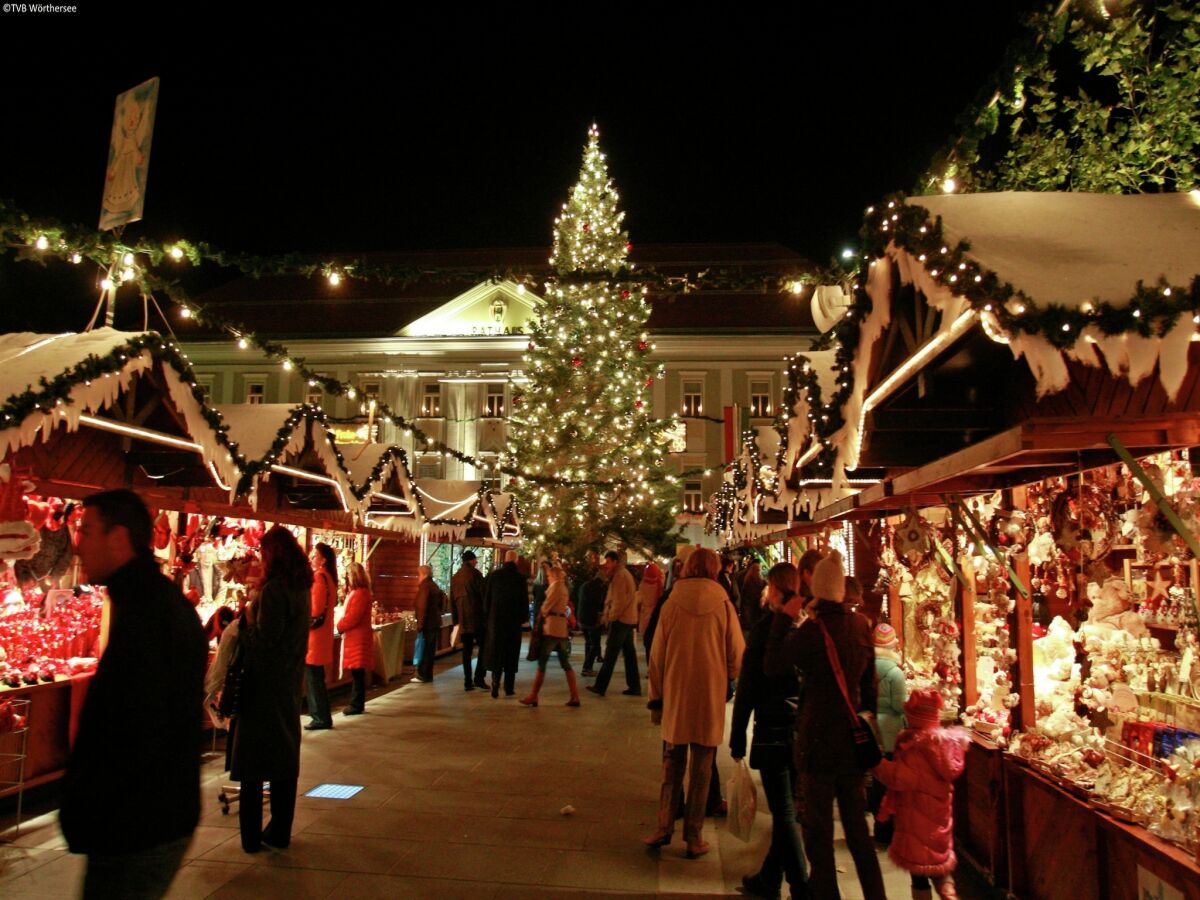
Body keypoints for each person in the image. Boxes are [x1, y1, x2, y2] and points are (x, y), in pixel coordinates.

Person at [60, 490, 207, 898]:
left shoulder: (147, 615)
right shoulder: (150, 604)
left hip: (136, 825)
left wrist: (90, 803)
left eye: (86, 531)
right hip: (147, 818)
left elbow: (133, 731)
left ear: (118, 537)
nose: (78, 544)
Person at [764, 550, 885, 900]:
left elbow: (773, 665)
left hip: (817, 743)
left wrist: (783, 621)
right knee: (858, 832)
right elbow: (870, 687)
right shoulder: (861, 626)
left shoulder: (811, 632)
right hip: (851, 743)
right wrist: (864, 722)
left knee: (818, 835)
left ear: (818, 589)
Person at [645, 548, 745, 859]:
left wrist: (656, 698)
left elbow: (657, 655)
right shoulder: (723, 603)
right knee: (702, 766)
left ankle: (663, 827)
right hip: (708, 692)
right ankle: (694, 836)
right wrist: (727, 675)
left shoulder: (672, 601)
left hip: (676, 691)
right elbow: (737, 652)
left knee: (672, 762)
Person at [229, 525, 312, 854]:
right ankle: (280, 828)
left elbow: (265, 642)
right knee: (283, 759)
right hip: (289, 683)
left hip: (264, 686)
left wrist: (246, 623)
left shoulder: (277, 591)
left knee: (253, 764)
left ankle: (251, 837)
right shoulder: (302, 587)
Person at [731, 562, 810, 900]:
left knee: (785, 814)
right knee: (787, 812)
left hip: (774, 729)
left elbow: (748, 686)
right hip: (800, 730)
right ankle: (769, 879)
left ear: (776, 590)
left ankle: (802, 888)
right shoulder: (807, 627)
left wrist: (737, 735)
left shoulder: (768, 631)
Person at [874, 689, 968, 900]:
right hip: (939, 822)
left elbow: (899, 778)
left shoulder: (916, 748)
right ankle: (950, 895)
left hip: (916, 824)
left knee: (919, 875)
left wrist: (876, 763)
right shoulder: (945, 746)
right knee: (942, 870)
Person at [520, 565, 582, 707]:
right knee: (565, 664)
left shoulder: (555, 587)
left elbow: (546, 607)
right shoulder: (564, 588)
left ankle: (533, 696)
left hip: (552, 629)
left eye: (548, 576)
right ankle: (574, 695)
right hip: (561, 630)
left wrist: (542, 612)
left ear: (553, 576)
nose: (547, 578)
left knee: (542, 663)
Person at [587, 550, 641, 697]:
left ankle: (600, 686)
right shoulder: (622, 575)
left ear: (615, 562)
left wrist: (610, 617)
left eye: (609, 561)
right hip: (627, 619)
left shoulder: (620, 576)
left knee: (611, 652)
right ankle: (635, 686)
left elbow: (619, 601)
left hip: (621, 620)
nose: (607, 565)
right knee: (629, 653)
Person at [871, 622, 907, 845]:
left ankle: (879, 827)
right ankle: (891, 830)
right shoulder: (895, 673)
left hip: (873, 729)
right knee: (892, 783)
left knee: (877, 782)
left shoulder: (867, 667)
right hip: (892, 732)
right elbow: (899, 705)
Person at [485, 550, 527, 697]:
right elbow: (523, 602)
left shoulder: (494, 576)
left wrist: (488, 617)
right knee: (511, 654)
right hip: (513, 623)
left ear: (504, 560)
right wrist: (523, 619)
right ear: (516, 561)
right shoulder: (520, 579)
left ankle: (495, 683)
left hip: (496, 621)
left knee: (497, 652)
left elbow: (487, 599)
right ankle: (509, 688)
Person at [304, 542, 337, 730]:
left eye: (314, 555)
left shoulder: (319, 578)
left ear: (323, 559)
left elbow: (315, 610)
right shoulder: (329, 578)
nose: (310, 557)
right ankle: (322, 715)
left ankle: (320, 716)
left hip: (314, 637)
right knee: (317, 678)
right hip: (322, 636)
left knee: (314, 678)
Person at [337, 562, 374, 715]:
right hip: (357, 637)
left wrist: (340, 625)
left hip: (357, 638)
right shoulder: (362, 593)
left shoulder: (360, 594)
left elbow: (353, 617)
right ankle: (356, 702)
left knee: (357, 673)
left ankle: (356, 703)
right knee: (357, 672)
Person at [451, 550, 487, 690]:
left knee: (466, 651)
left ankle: (467, 681)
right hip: (477, 619)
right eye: (475, 560)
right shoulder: (476, 575)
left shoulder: (455, 578)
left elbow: (453, 603)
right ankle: (479, 678)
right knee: (483, 648)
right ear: (470, 561)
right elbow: (483, 596)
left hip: (463, 620)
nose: (476, 562)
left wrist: (456, 621)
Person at [413, 565, 446, 683]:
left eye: (419, 574)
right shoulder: (434, 586)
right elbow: (442, 601)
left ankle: (423, 674)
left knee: (425, 649)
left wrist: (420, 625)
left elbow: (422, 607)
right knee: (430, 650)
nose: (418, 577)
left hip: (427, 623)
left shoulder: (425, 587)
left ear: (424, 575)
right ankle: (428, 674)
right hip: (434, 622)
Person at [576, 554, 606, 676]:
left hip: (582, 618)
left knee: (588, 642)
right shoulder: (600, 587)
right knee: (595, 644)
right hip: (592, 619)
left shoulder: (585, 585)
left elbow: (578, 598)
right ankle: (587, 667)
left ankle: (587, 665)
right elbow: (600, 603)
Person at [637, 560, 665, 664]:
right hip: (656, 617)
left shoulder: (643, 585)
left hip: (645, 616)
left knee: (647, 643)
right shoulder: (660, 584)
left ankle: (650, 666)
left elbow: (639, 599)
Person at [739, 559, 766, 633]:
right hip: (758, 608)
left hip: (749, 609)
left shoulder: (746, 582)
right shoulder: (762, 583)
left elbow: (743, 597)